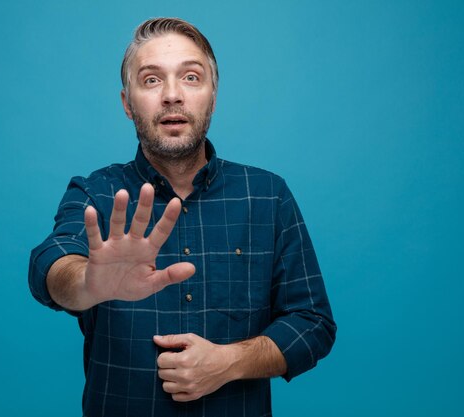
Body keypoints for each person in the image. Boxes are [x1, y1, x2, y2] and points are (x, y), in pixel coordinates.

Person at [29, 17, 336, 417]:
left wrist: (229, 362)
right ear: (127, 103)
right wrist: (87, 282)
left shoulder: (268, 195)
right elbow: (49, 266)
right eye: (152, 80)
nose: (172, 95)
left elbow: (312, 323)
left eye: (191, 77)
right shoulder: (96, 192)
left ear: (213, 96)